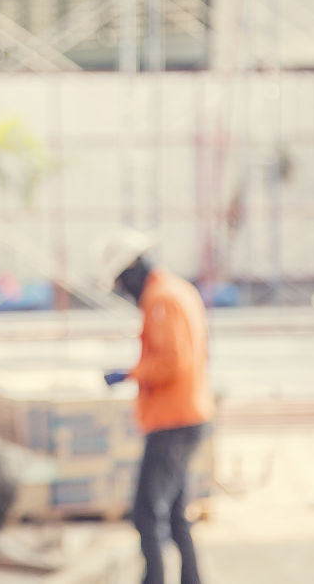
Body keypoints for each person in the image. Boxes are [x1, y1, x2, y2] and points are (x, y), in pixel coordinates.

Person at [99, 229, 214, 584]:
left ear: (131, 271)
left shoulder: (161, 298)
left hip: (173, 420)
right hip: (186, 414)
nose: (124, 292)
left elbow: (171, 363)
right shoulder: (177, 290)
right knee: (175, 514)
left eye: (121, 283)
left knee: (147, 514)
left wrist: (128, 374)